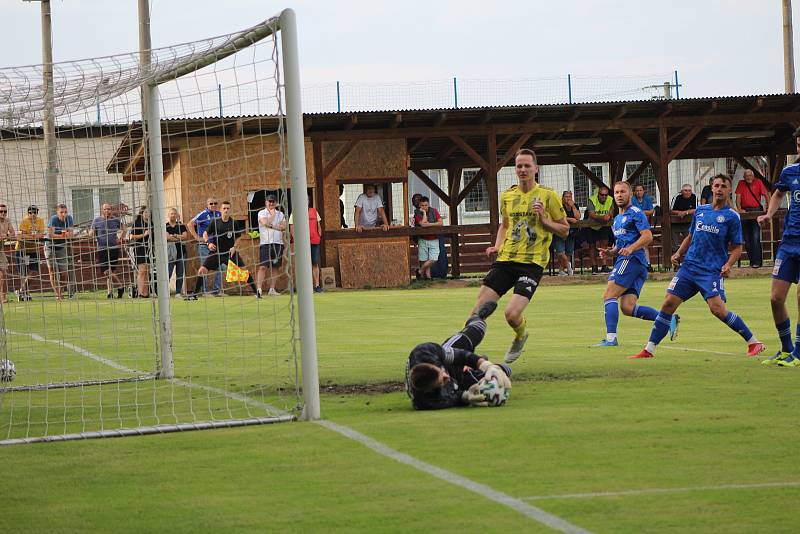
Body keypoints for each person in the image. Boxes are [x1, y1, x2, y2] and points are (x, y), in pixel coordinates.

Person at [630, 174, 765, 360]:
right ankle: (649, 349)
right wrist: (678, 253)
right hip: (689, 267)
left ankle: (753, 342)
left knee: (717, 309)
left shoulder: (731, 217)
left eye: (723, 186)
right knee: (668, 303)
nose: (718, 189)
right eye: (716, 185)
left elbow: (737, 248)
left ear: (729, 190)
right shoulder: (701, 210)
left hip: (710, 270)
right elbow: (691, 236)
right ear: (711, 188)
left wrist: (728, 264)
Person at [469, 148, 569, 364]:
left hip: (531, 264)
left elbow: (564, 229)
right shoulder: (508, 196)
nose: (523, 169)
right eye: (519, 166)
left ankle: (520, 335)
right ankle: (465, 358)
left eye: (527, 165)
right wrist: (497, 246)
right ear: (515, 169)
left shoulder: (548, 195)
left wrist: (544, 220)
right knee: (476, 313)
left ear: (536, 168)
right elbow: (504, 226)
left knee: (512, 314)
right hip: (505, 261)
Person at [594, 181, 670, 346]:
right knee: (628, 308)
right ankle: (667, 320)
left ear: (630, 194)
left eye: (623, 192)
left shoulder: (636, 212)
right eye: (616, 193)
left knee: (609, 295)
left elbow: (647, 236)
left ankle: (611, 339)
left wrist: (631, 248)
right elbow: (621, 245)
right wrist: (610, 252)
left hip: (632, 260)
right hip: (632, 262)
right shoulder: (617, 219)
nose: (619, 195)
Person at [406, 301, 511, 410]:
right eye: (442, 381)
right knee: (504, 372)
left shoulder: (425, 351)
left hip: (449, 362)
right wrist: (465, 397)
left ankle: (477, 316)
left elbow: (461, 355)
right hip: (458, 382)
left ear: (433, 365)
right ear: (429, 390)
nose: (446, 377)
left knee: (476, 329)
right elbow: (452, 399)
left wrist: (486, 365)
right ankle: (479, 367)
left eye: (441, 372)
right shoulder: (428, 402)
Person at [758, 127, 800, 366]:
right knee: (775, 298)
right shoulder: (790, 171)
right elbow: (777, 194)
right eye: (798, 145)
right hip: (789, 242)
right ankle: (787, 348)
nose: (799, 149)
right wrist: (769, 214)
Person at [187, 201, 257, 299]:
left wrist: (234, 247)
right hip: (216, 253)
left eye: (228, 208)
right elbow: (205, 234)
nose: (226, 210)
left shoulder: (233, 223)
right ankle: (194, 295)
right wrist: (208, 243)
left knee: (244, 271)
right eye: (224, 208)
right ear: (221, 210)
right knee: (202, 270)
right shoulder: (215, 222)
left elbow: (239, 237)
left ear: (230, 210)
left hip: (229, 253)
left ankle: (257, 293)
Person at [89, 203, 125, 299]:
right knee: (106, 272)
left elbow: (124, 229)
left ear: (111, 210)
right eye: (105, 209)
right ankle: (121, 286)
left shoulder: (115, 220)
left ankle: (110, 293)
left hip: (113, 248)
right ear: (102, 210)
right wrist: (91, 233)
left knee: (111, 271)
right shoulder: (96, 220)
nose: (107, 211)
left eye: (109, 209)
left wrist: (120, 238)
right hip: (102, 249)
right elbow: (91, 232)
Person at [187, 198, 222, 296]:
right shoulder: (203, 214)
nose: (213, 205)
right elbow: (190, 224)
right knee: (204, 267)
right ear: (207, 204)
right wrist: (196, 237)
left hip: (216, 246)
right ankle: (205, 291)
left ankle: (217, 291)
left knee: (220, 267)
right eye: (211, 203)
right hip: (204, 246)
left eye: (215, 203)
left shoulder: (219, 214)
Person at [288, 194, 323, 293]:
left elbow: (319, 225)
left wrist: (319, 234)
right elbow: (292, 227)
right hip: (302, 243)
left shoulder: (314, 211)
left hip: (314, 241)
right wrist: (296, 240)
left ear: (308, 201)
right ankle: (302, 286)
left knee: (315, 262)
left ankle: (316, 285)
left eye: (306, 199)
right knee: (301, 264)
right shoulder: (295, 213)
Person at [735, 169, 769, 269]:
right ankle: (752, 261)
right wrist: (740, 209)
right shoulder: (741, 183)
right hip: (745, 211)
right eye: (746, 176)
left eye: (750, 175)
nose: (748, 177)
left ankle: (758, 261)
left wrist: (768, 207)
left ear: (753, 176)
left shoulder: (758, 182)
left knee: (755, 237)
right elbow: (738, 197)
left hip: (756, 210)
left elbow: (766, 195)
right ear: (744, 177)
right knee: (747, 238)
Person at [256, 194, 286, 297]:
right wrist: (272, 215)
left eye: (273, 202)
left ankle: (272, 289)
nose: (271, 203)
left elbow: (283, 227)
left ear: (276, 203)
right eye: (269, 201)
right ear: (266, 202)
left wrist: (272, 225)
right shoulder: (261, 213)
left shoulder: (281, 214)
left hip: (278, 243)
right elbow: (265, 223)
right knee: (263, 267)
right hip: (265, 243)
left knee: (275, 267)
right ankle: (259, 290)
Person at [45, 203, 76, 301]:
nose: (64, 214)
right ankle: (58, 294)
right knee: (53, 272)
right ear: (57, 212)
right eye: (61, 212)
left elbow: (71, 234)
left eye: (65, 212)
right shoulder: (53, 219)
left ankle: (60, 292)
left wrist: (66, 235)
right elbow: (50, 235)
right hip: (50, 247)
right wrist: (63, 236)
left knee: (64, 273)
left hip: (61, 247)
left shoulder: (69, 219)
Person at [14, 205, 45, 302]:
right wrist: (33, 236)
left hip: (33, 249)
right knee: (23, 272)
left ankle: (21, 291)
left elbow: (41, 234)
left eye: (34, 213)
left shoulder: (40, 221)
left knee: (34, 272)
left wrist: (31, 236)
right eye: (30, 213)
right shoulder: (24, 221)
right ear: (28, 213)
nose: (32, 215)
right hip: (22, 249)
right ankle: (25, 293)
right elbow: (21, 235)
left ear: (37, 213)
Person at [586, 185, 614, 274]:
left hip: (604, 225)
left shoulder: (610, 199)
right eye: (602, 195)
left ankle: (604, 266)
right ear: (598, 194)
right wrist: (603, 217)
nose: (604, 197)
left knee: (604, 245)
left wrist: (609, 216)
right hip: (592, 225)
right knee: (592, 246)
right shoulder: (592, 200)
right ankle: (594, 267)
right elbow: (591, 214)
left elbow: (611, 211)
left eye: (606, 195)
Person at [413, 196, 443, 279]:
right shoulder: (417, 213)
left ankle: (419, 271)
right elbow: (423, 224)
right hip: (422, 239)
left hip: (434, 238)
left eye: (426, 205)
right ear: (419, 205)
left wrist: (429, 225)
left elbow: (440, 223)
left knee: (434, 259)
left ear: (429, 204)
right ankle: (428, 277)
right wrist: (425, 214)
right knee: (423, 259)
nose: (424, 207)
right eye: (422, 205)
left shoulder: (434, 211)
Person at [553, 190, 579, 276]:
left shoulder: (574, 206)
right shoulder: (559, 206)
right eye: (566, 197)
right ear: (563, 198)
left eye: (570, 197)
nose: (568, 199)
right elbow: (558, 217)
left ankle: (561, 270)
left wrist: (573, 207)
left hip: (571, 232)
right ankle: (568, 265)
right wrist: (569, 219)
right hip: (560, 231)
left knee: (568, 252)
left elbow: (578, 217)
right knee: (560, 252)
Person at [128, 206, 152, 298]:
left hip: (149, 248)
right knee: (141, 271)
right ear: (142, 213)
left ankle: (146, 293)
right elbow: (131, 236)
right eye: (145, 212)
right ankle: (140, 293)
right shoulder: (137, 223)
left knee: (147, 271)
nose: (147, 214)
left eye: (148, 212)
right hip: (139, 248)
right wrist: (144, 234)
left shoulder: (151, 223)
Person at [166, 208, 189, 298]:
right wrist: (179, 237)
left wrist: (174, 236)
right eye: (171, 213)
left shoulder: (181, 225)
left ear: (177, 215)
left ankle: (178, 292)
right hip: (170, 254)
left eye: (174, 213)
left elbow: (185, 236)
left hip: (181, 253)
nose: (173, 215)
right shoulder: (165, 226)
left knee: (180, 274)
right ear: (168, 215)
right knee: (168, 273)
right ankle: (165, 292)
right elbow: (167, 237)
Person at [670, 184, 697, 254]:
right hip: (675, 223)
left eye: (689, 191)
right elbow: (671, 210)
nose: (688, 192)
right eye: (685, 190)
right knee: (674, 245)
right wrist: (679, 212)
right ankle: (674, 259)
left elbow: (696, 209)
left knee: (690, 242)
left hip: (689, 223)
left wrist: (685, 212)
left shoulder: (694, 196)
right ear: (682, 191)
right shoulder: (676, 197)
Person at [0, 204, 16, 303]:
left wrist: (5, 235)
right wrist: (6, 235)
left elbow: (13, 234)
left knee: (4, 274)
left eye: (5, 211)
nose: (3, 213)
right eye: (1, 211)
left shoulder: (7, 221)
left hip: (1, 250)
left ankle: (4, 297)